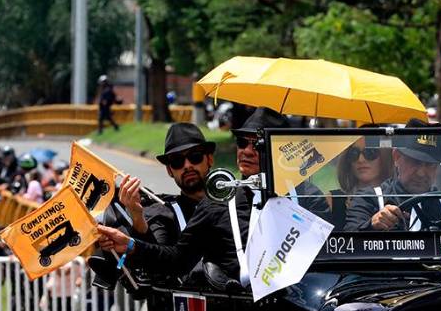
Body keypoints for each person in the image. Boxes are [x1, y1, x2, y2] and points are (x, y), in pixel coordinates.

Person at [94, 107, 285, 284]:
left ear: (209, 159)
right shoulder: (217, 203)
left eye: (258, 145)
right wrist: (133, 242)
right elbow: (176, 260)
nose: (247, 151)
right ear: (169, 170)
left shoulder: (305, 197)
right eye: (242, 143)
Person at [345, 119, 441, 232]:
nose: (421, 173)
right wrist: (373, 225)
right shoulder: (370, 199)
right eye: (415, 162)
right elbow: (347, 243)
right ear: (397, 157)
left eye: (430, 164)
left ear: (437, 166)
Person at [330, 135, 393, 229]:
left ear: (386, 156)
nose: (361, 159)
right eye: (354, 153)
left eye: (370, 152)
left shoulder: (400, 198)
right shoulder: (332, 200)